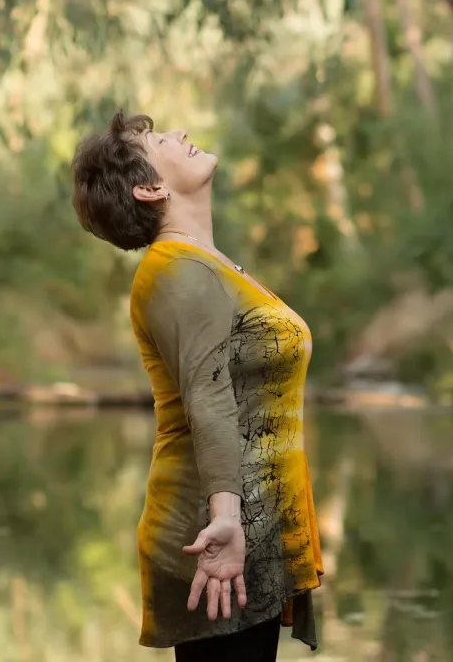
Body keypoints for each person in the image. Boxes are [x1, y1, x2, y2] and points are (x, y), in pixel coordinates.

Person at [70, 111, 323, 661]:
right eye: (162, 141)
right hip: (214, 541)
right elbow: (209, 397)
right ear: (150, 187)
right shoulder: (175, 270)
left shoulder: (208, 265)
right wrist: (228, 520)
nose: (181, 135)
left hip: (243, 530)